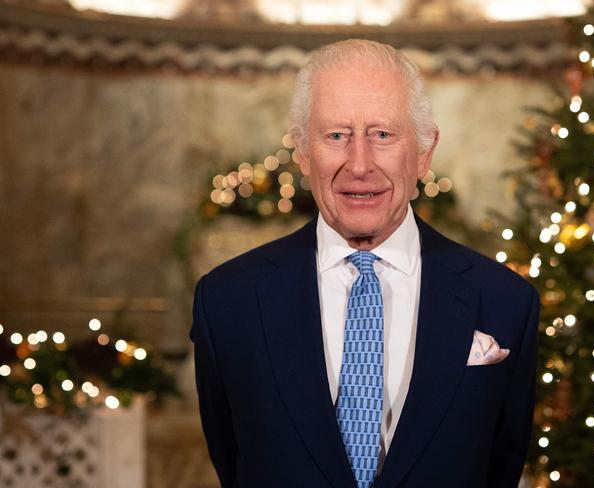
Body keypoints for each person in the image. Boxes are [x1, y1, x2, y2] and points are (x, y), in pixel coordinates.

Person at [190, 39, 539, 488]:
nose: (359, 165)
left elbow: (501, 465)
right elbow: (233, 462)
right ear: (302, 152)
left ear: (425, 152)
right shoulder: (227, 302)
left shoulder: (506, 302)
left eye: (383, 135)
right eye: (336, 135)